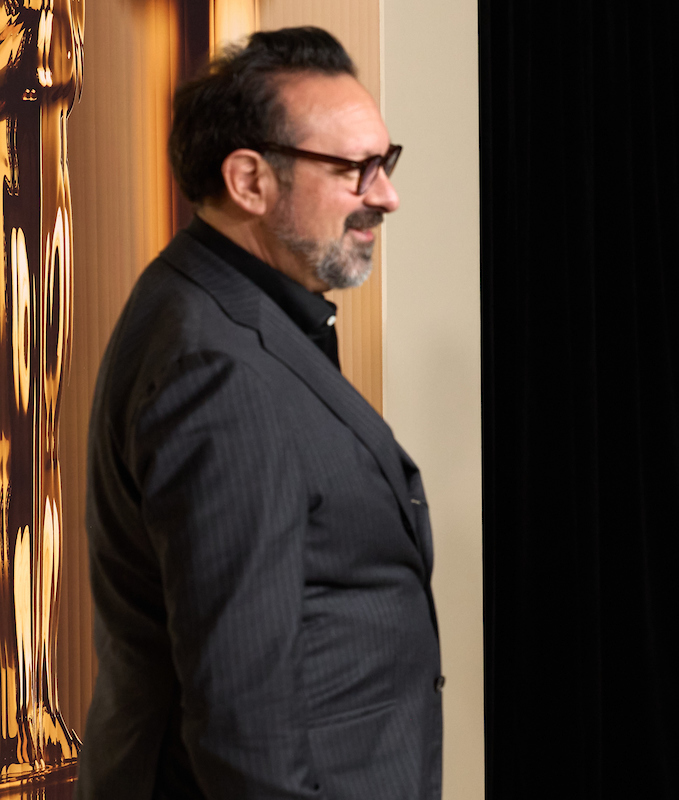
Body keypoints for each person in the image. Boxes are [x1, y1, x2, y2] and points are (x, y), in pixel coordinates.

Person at [77, 28, 443, 799]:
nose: (386, 196)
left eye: (386, 162)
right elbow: (242, 716)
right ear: (249, 180)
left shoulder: (229, 309)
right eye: (355, 169)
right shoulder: (218, 368)